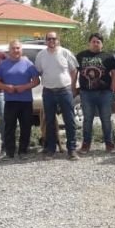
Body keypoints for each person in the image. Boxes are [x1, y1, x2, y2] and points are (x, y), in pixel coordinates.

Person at [0, 40, 40, 160]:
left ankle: (23, 151)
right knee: (9, 127)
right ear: (9, 50)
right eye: (13, 48)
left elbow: (36, 81)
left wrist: (24, 87)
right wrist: (5, 87)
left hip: (26, 101)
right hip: (10, 101)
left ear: (21, 49)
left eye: (18, 48)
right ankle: (9, 152)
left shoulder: (28, 63)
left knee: (26, 127)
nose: (16, 50)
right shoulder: (3, 64)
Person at [34, 31, 79, 159]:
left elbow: (73, 70)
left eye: (54, 39)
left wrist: (72, 86)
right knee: (49, 122)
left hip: (64, 91)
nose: (51, 41)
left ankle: (72, 150)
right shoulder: (41, 55)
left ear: (58, 40)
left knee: (69, 121)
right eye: (49, 39)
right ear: (45, 40)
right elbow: (39, 71)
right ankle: (51, 150)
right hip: (48, 91)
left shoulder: (65, 53)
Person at [75, 32, 115, 154]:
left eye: (98, 42)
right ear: (89, 43)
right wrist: (73, 87)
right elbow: (75, 73)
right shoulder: (81, 56)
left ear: (102, 44)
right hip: (86, 93)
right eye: (93, 41)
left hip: (105, 94)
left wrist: (113, 90)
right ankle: (86, 144)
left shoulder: (108, 57)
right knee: (87, 119)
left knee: (106, 119)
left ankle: (109, 144)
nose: (95, 44)